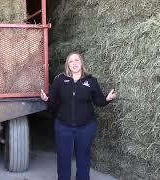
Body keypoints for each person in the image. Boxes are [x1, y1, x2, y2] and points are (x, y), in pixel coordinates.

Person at [40, 52, 117, 180]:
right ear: (67, 65)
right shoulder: (60, 80)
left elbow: (99, 102)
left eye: (77, 60)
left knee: (83, 158)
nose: (74, 63)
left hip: (86, 127)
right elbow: (52, 102)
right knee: (63, 158)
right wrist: (46, 99)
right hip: (63, 127)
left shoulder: (91, 81)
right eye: (71, 61)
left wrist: (107, 99)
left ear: (81, 62)